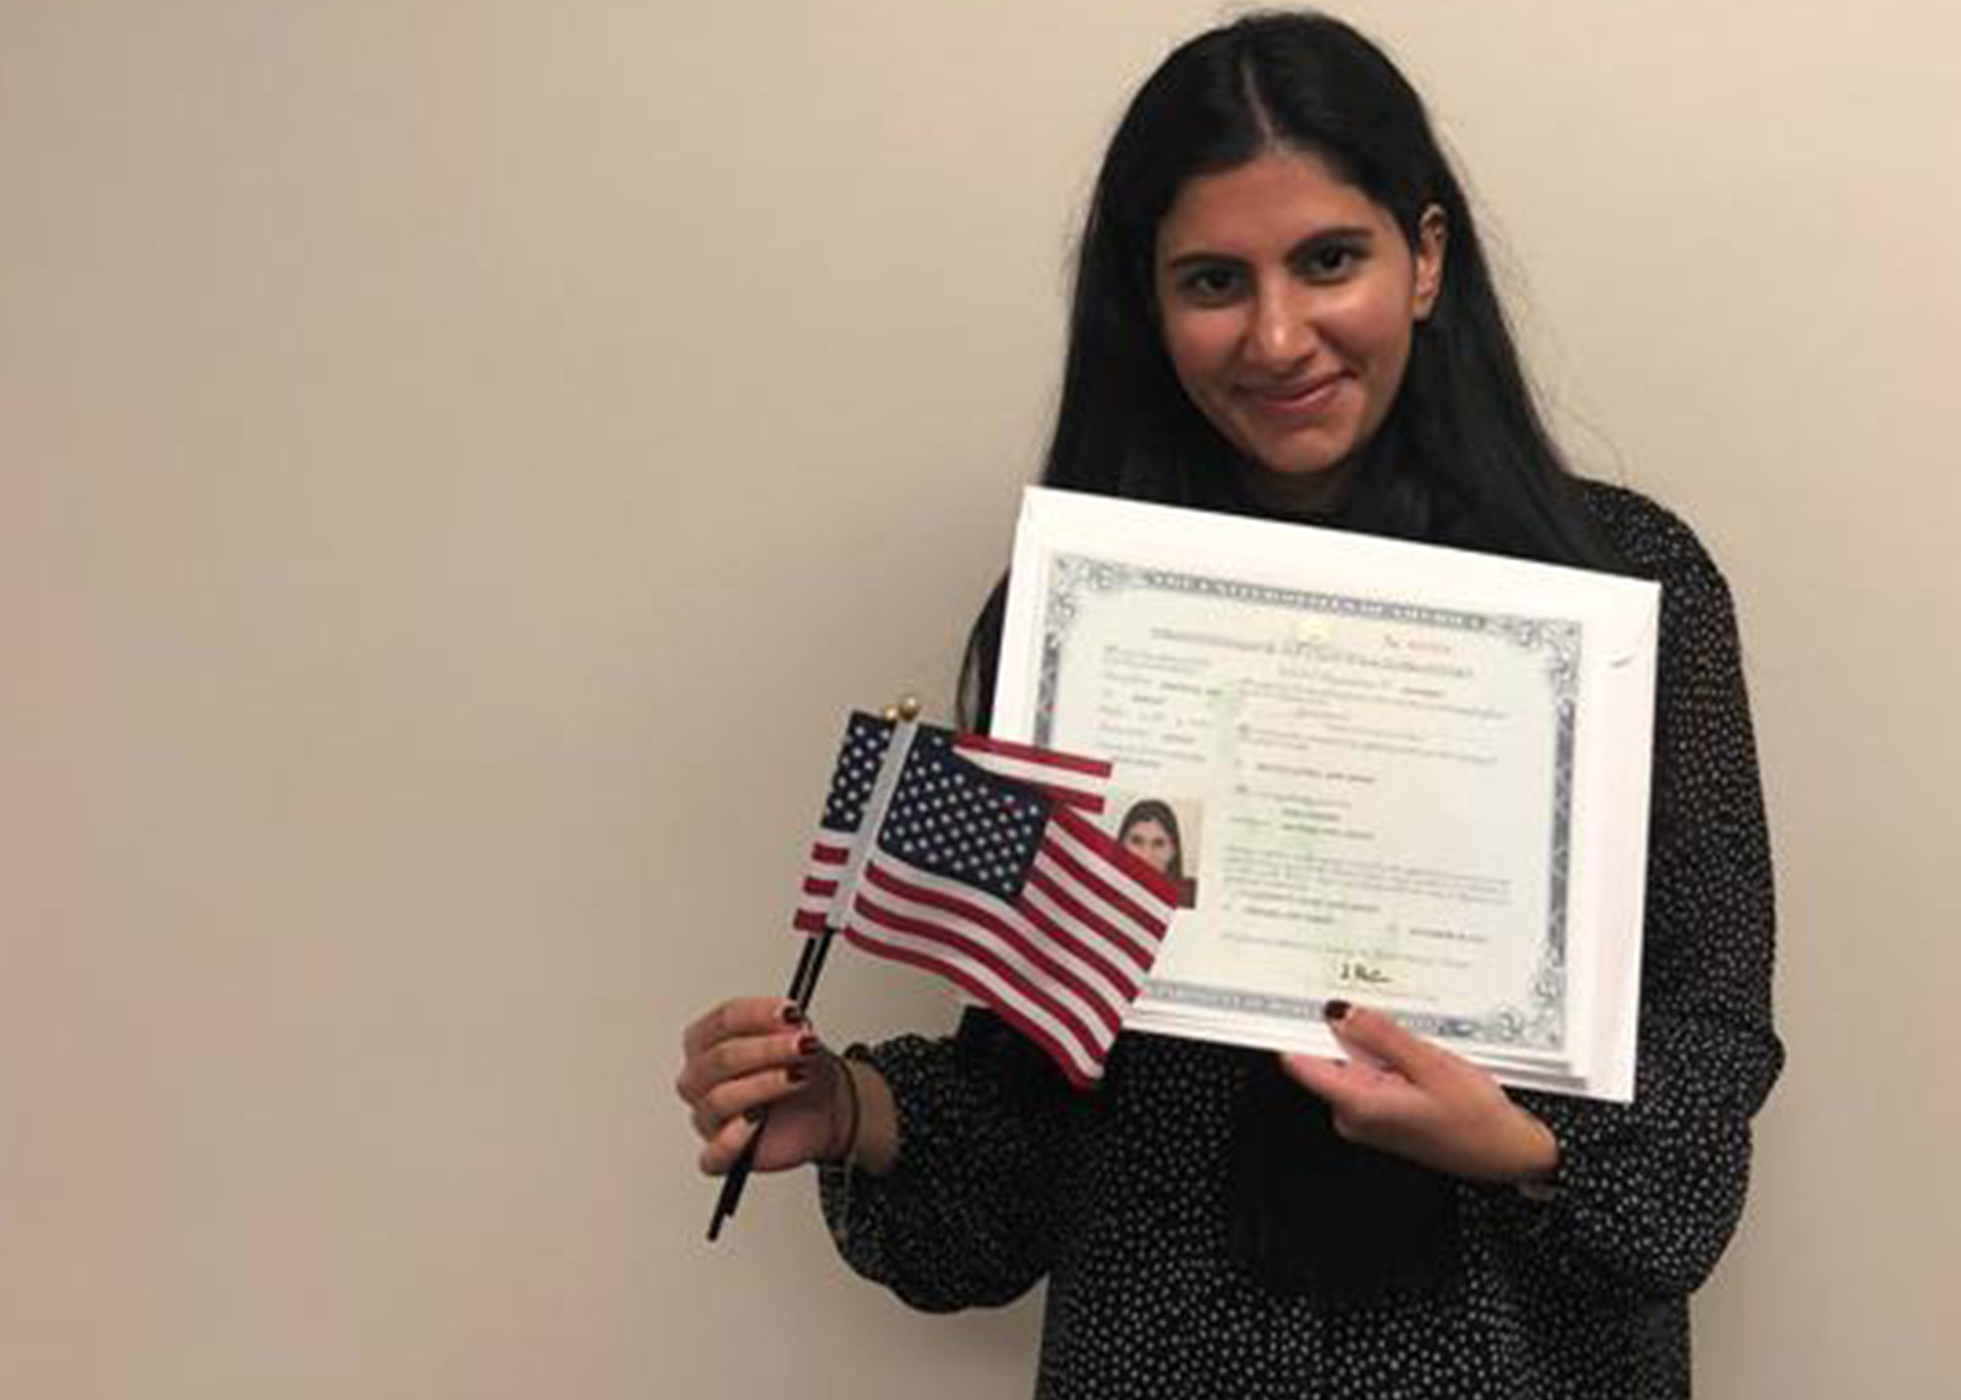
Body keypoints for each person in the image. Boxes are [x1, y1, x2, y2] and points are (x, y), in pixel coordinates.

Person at [675, 12, 1780, 1397]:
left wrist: (1519, 1142)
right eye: (1213, 278)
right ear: (1147, 302)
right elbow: (1026, 1130)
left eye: (1329, 260)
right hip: (1165, 1351)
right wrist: (851, 1112)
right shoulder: (1080, 621)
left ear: (1425, 257)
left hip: (1520, 1363)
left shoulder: (1624, 590)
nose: (1276, 334)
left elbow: (1706, 1055)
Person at [1115, 797, 1198, 907]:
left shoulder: (1191, 898)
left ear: (1173, 851)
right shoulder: (1097, 892)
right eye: (1137, 841)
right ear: (1121, 846)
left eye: (1159, 844)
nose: (1146, 856)